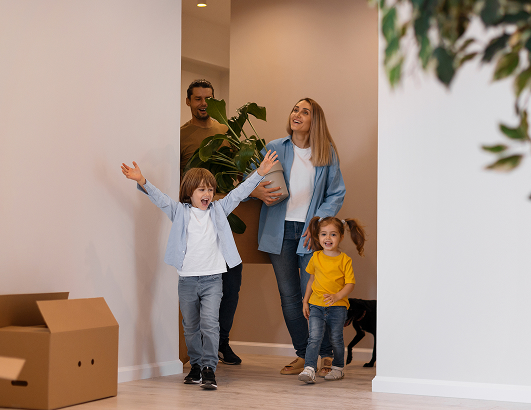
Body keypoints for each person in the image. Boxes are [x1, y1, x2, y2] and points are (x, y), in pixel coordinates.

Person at [121, 150, 278, 390]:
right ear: (189, 193)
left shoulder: (219, 210)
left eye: (210, 190)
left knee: (210, 324)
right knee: (191, 326)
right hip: (187, 280)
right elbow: (160, 198)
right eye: (201, 189)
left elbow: (239, 193)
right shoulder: (179, 212)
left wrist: (259, 173)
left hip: (213, 279)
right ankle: (195, 366)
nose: (207, 194)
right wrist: (142, 180)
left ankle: (209, 369)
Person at [250, 98, 346, 376]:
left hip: (309, 234)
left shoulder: (326, 153)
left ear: (315, 121)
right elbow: (250, 180)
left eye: (305, 112)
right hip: (278, 232)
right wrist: (257, 192)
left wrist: (316, 226)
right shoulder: (274, 148)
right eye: (295, 109)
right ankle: (305, 355)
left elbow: (336, 193)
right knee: (289, 297)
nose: (298, 114)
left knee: (316, 295)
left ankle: (325, 355)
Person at [180, 79, 242, 366]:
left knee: (231, 283)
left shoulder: (226, 131)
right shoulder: (182, 135)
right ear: (188, 101)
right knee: (198, 291)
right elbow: (181, 185)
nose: (204, 103)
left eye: (208, 98)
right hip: (196, 226)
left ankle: (222, 343)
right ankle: (199, 353)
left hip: (225, 218)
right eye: (198, 99)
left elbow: (238, 174)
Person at [298, 216, 366, 384]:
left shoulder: (345, 260)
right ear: (318, 236)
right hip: (316, 305)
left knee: (336, 338)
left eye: (333, 234)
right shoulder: (316, 257)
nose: (328, 238)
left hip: (338, 307)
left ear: (341, 237)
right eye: (324, 234)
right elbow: (311, 281)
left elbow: (350, 284)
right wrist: (305, 301)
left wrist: (337, 296)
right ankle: (309, 369)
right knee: (314, 337)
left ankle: (338, 369)